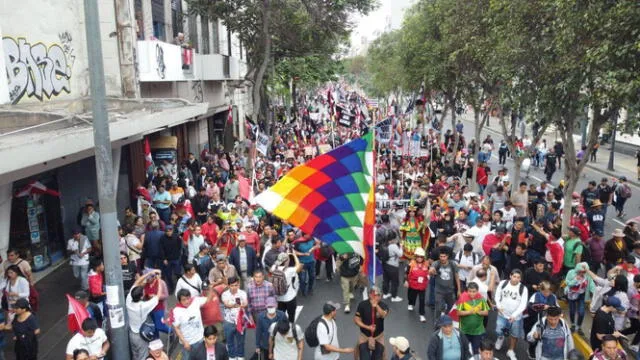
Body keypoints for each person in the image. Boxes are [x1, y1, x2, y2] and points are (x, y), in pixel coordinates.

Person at [170, 287, 216, 360]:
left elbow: (207, 300)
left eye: (188, 298)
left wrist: (211, 288)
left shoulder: (196, 301)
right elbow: (177, 328)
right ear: (179, 301)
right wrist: (185, 342)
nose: (187, 301)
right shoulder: (176, 311)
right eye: (184, 300)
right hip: (188, 343)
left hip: (200, 339)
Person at [494, 269, 528, 360]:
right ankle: (500, 338)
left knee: (514, 335)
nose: (516, 279)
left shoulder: (523, 289)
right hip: (502, 314)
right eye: (514, 276)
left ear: (520, 279)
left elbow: (523, 304)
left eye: (518, 277)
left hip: (515, 318)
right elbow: (497, 296)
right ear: (510, 276)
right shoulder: (503, 283)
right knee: (498, 330)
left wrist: (515, 315)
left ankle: (511, 350)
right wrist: (498, 306)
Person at [127, 270, 161, 360]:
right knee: (143, 356)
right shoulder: (143, 306)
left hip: (131, 333)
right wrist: (159, 280)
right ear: (141, 296)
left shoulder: (128, 300)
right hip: (140, 336)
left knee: (135, 355)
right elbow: (158, 295)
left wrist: (149, 273)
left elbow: (137, 282)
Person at [353, 287, 389, 359]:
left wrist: (377, 306)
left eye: (379, 295)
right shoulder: (362, 305)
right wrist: (367, 327)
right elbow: (356, 320)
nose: (378, 297)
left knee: (378, 357)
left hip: (378, 337)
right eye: (375, 295)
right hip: (365, 336)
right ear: (370, 295)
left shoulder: (384, 305)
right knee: (364, 357)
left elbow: (383, 315)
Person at [456, 282, 490, 354]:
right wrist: (470, 312)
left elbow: (486, 312)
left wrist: (479, 312)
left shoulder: (481, 299)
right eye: (470, 291)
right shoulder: (462, 298)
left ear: (477, 291)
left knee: (476, 351)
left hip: (478, 331)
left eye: (474, 291)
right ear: (467, 291)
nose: (472, 293)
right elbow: (458, 313)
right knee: (464, 350)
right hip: (465, 330)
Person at [221, 277, 248, 360]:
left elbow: (245, 303)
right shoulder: (225, 294)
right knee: (230, 342)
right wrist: (236, 305)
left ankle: (240, 356)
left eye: (236, 285)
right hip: (229, 322)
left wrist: (242, 304)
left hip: (241, 321)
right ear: (228, 286)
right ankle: (232, 357)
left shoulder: (243, 293)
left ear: (238, 285)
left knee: (241, 342)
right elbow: (226, 304)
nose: (234, 287)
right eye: (232, 286)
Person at [430, 250, 461, 319]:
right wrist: (431, 271)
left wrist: (459, 290)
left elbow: (457, 276)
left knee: (451, 307)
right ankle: (437, 324)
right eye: (441, 256)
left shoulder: (452, 264)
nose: (442, 258)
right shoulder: (436, 263)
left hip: (450, 291)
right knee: (438, 308)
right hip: (439, 291)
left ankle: (446, 320)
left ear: (447, 257)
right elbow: (431, 268)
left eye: (444, 256)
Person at [273, 252, 302, 322]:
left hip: (278, 298)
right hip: (290, 298)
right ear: (286, 261)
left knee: (280, 317)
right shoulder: (290, 270)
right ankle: (291, 328)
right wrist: (294, 255)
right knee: (291, 316)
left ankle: (281, 329)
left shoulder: (274, 268)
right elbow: (299, 266)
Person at [404, 248, 429, 322]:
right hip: (412, 285)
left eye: (421, 257)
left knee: (422, 300)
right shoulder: (411, 264)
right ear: (415, 256)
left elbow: (429, 272)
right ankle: (411, 303)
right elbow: (406, 273)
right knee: (411, 296)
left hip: (422, 286)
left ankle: (422, 314)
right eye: (418, 256)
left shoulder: (426, 264)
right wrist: (405, 281)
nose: (420, 258)